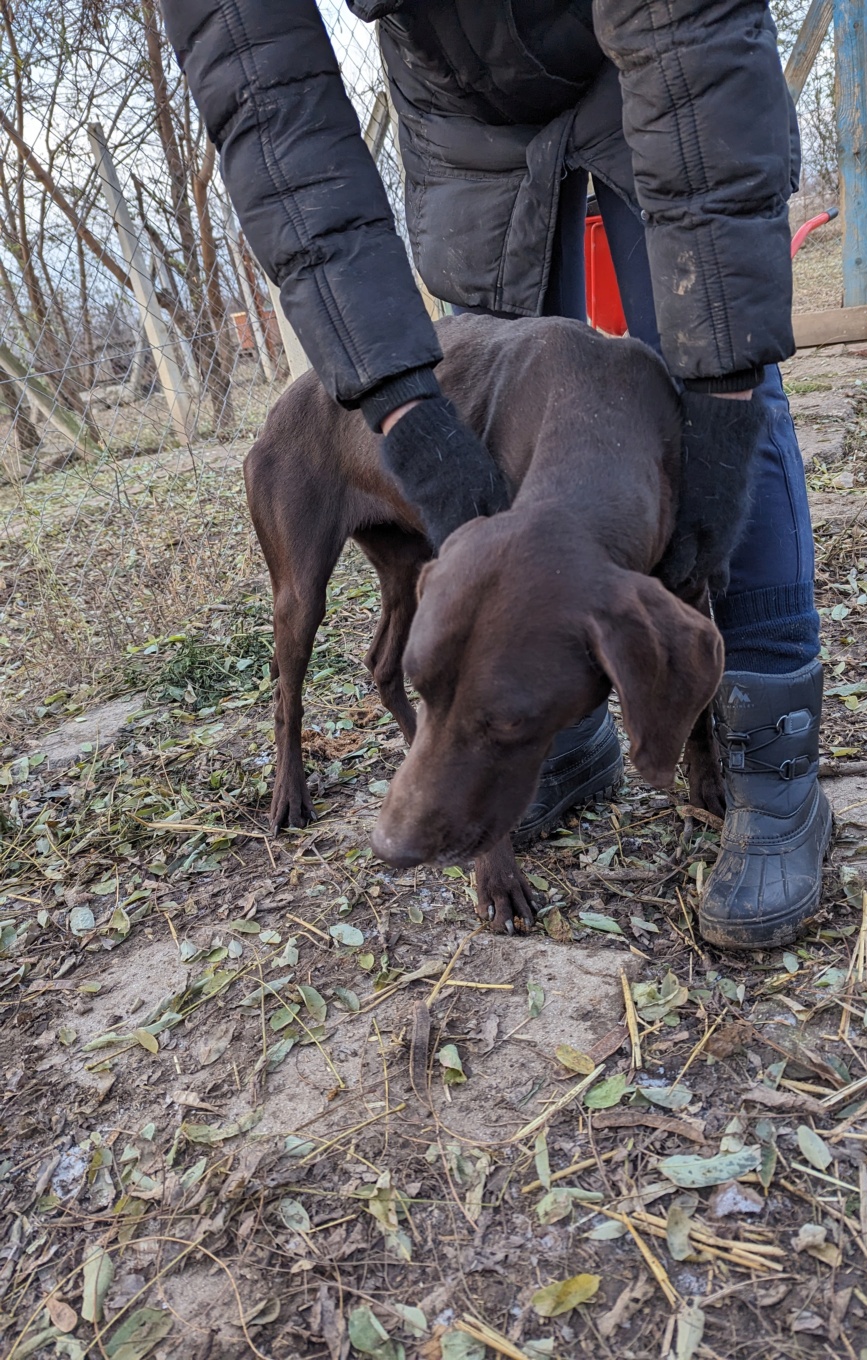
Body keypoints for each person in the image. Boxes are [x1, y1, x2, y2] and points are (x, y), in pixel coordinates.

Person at [161, 0, 831, 949]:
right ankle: (547, 739)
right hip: (459, 106)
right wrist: (398, 407)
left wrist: (722, 398)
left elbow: (701, 53)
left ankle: (767, 758)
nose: (391, 831)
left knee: (726, 381)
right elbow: (270, 118)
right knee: (468, 582)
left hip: (659, 65)